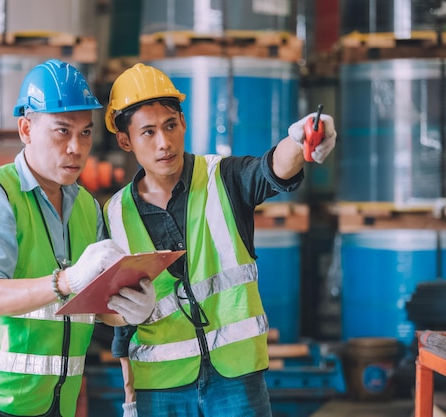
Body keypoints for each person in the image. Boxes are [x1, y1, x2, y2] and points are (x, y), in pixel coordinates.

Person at [103, 63, 337, 417]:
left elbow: (271, 169)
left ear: (183, 122)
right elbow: (119, 325)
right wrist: (130, 397)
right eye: (148, 132)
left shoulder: (222, 177)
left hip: (236, 376)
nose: (164, 142)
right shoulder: (115, 214)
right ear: (125, 140)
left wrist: (301, 138)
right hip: (160, 384)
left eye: (169, 126)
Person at [0, 59, 156, 417]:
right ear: (26, 129)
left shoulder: (86, 205)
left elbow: (94, 302)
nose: (77, 147)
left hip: (59, 401)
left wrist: (131, 311)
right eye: (62, 131)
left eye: (85, 132)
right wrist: (66, 280)